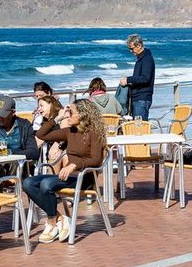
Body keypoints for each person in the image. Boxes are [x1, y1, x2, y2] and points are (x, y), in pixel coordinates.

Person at [25, 99, 106, 244]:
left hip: (84, 178)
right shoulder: (69, 132)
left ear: (82, 115)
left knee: (46, 184)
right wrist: (57, 118)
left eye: (71, 112)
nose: (67, 114)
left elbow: (96, 160)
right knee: (28, 182)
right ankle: (59, 218)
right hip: (67, 176)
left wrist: (74, 165)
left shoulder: (94, 134)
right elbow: (41, 135)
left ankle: (51, 223)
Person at [119, 34, 155, 120]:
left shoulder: (147, 59)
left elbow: (145, 78)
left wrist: (128, 80)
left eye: (132, 48)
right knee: (137, 126)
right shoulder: (141, 58)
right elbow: (140, 77)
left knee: (140, 127)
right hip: (138, 98)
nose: (131, 51)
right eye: (129, 49)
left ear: (139, 45)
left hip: (142, 98)